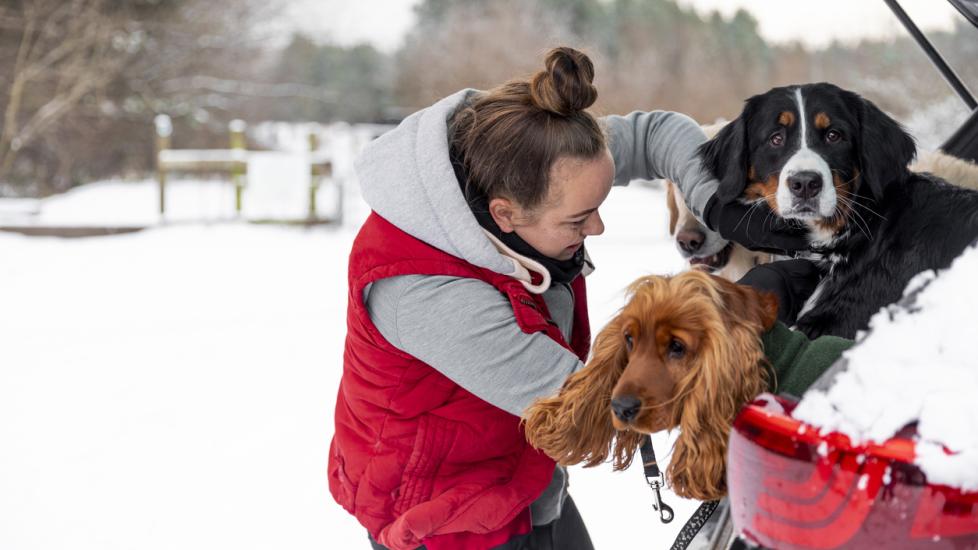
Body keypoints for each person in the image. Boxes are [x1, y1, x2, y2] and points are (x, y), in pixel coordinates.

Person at [328, 46, 817, 550]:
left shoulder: (547, 151)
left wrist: (717, 207)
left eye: (599, 207)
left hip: (526, 475)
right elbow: (587, 398)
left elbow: (658, 133)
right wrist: (751, 327)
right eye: (578, 220)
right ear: (505, 216)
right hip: (442, 516)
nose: (598, 227)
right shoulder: (422, 292)